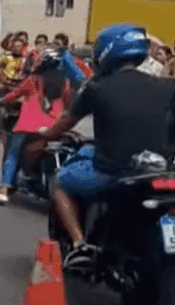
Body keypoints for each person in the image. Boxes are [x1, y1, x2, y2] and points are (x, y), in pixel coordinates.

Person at [41, 23, 175, 269]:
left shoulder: (96, 88)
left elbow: (63, 124)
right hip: (162, 172)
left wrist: (45, 133)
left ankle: (80, 244)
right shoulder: (168, 86)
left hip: (113, 173)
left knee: (60, 181)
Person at [0, 46, 74, 205]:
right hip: (55, 126)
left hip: (29, 126)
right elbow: (69, 102)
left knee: (12, 155)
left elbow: (15, 95)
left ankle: (4, 190)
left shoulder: (33, 80)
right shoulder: (65, 82)